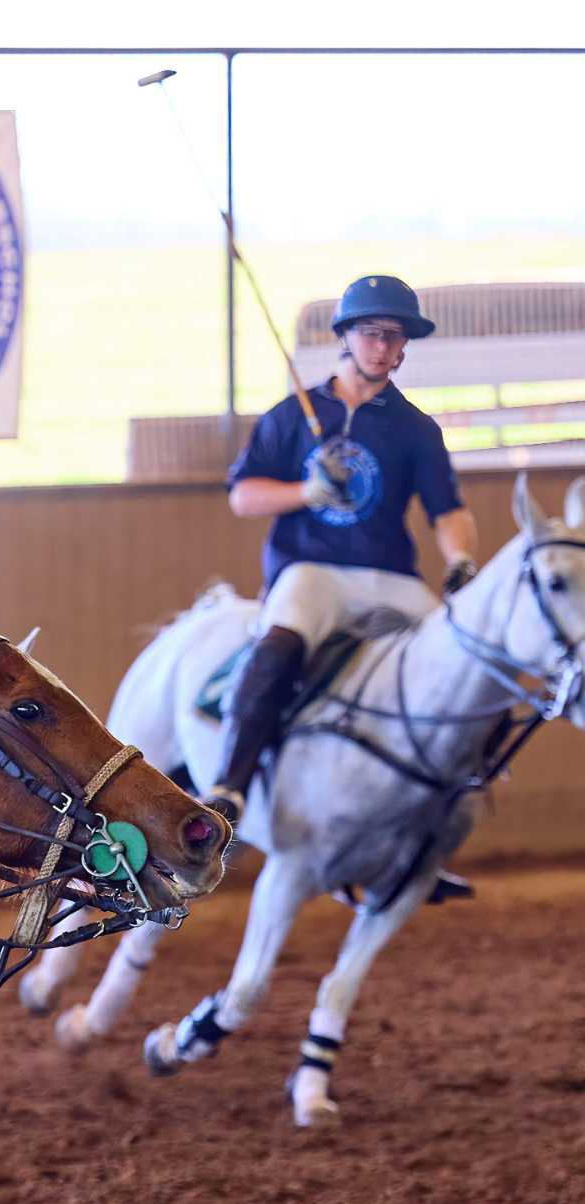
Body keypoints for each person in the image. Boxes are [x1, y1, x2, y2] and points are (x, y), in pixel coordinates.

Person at [205, 275, 479, 832]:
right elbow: (243, 495)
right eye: (372, 333)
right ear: (346, 337)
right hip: (311, 570)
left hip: (388, 577)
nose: (383, 347)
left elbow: (447, 510)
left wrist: (459, 561)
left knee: (460, 659)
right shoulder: (293, 415)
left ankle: (438, 820)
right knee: (280, 645)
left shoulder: (416, 429)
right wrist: (307, 492)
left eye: (395, 337)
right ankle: (229, 786)